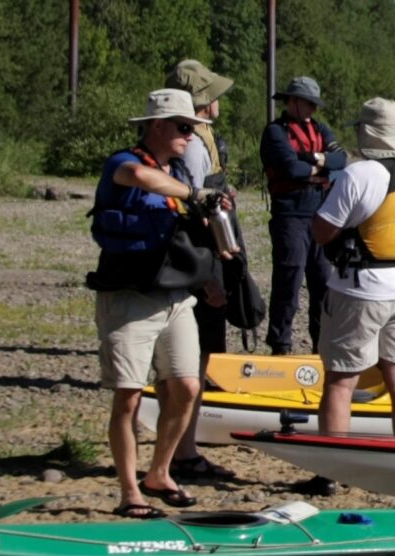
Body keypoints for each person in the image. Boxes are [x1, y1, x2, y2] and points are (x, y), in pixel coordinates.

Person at [84, 89, 223, 519]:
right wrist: (194, 192)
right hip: (128, 298)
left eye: (194, 129)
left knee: (186, 387)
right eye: (185, 128)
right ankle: (130, 493)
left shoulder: (179, 169)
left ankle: (159, 472)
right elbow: (143, 180)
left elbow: (193, 225)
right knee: (127, 398)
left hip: (175, 296)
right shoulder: (122, 163)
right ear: (157, 126)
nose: (191, 136)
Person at [309, 97, 395, 438]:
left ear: (365, 133)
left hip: (361, 289)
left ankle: (333, 469)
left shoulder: (358, 173)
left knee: (341, 380)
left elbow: (322, 233)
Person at [162, 59, 240, 482]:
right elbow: (195, 209)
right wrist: (214, 269)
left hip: (202, 255)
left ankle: (179, 450)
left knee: (194, 356)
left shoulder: (196, 139)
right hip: (200, 257)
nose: (218, 101)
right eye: (212, 95)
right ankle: (183, 452)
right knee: (193, 357)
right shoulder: (192, 144)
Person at [259, 77, 338, 356]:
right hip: (289, 214)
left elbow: (340, 162)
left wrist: (311, 161)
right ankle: (280, 346)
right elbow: (291, 170)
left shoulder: (321, 129)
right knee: (288, 280)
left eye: (315, 105)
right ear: (292, 102)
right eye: (309, 104)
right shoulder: (275, 132)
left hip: (319, 213)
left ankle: (321, 345)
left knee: (323, 282)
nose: (313, 110)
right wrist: (320, 162)